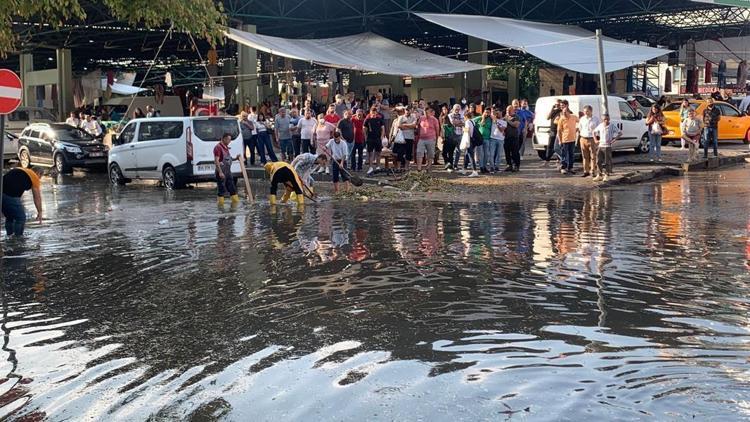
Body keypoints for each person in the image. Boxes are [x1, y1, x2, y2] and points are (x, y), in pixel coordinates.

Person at [2, 166, 43, 237]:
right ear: (38, 173)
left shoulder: (20, 169)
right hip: (10, 195)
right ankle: (18, 239)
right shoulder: (34, 176)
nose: (39, 179)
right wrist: (40, 211)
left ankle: (9, 236)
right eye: (40, 177)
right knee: (21, 218)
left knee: (10, 217)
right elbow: (37, 197)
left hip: (2, 192)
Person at [593, 114, 622, 182]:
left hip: (607, 146)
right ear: (602, 119)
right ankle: (599, 174)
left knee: (607, 161)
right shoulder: (600, 125)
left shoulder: (612, 126)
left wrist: (613, 140)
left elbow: (620, 133)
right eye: (604, 119)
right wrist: (595, 140)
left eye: (607, 119)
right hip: (600, 145)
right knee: (598, 161)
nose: (606, 121)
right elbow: (594, 132)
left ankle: (607, 174)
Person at [213, 133, 240, 207]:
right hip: (221, 171)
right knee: (222, 190)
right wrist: (220, 172)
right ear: (224, 139)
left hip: (228, 172)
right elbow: (216, 161)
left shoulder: (226, 147)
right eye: (228, 139)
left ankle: (235, 205)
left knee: (232, 188)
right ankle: (220, 207)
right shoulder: (218, 147)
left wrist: (236, 158)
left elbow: (229, 159)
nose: (229, 141)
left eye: (230, 140)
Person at [555, 100, 578, 174]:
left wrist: (577, 129)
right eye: (563, 113)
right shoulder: (561, 119)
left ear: (568, 111)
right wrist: (560, 140)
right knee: (564, 154)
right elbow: (558, 130)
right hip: (565, 139)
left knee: (571, 154)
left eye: (565, 112)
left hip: (573, 139)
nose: (564, 114)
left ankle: (570, 167)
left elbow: (580, 122)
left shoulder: (573, 117)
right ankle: (563, 167)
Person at [577, 105, 600, 178]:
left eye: (587, 111)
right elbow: (580, 128)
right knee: (584, 156)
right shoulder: (582, 119)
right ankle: (586, 171)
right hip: (583, 138)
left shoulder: (595, 119)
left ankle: (593, 171)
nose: (586, 113)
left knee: (593, 156)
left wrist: (597, 139)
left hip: (592, 139)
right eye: (584, 111)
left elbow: (598, 129)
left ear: (591, 111)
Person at [416, 107, 440, 172]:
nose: (426, 113)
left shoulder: (434, 120)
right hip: (421, 138)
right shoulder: (421, 118)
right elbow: (417, 126)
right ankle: (419, 168)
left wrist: (437, 139)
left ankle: (428, 167)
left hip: (431, 138)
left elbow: (437, 130)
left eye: (428, 112)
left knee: (430, 153)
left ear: (431, 113)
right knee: (419, 152)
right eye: (425, 112)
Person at [363, 106, 385, 175]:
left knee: (378, 152)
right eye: (372, 112)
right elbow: (364, 128)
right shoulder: (367, 119)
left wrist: (381, 137)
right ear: (370, 112)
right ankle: (370, 167)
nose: (373, 113)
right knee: (370, 153)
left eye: (375, 112)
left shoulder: (379, 119)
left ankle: (378, 166)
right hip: (370, 138)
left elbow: (383, 128)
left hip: (378, 138)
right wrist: (366, 137)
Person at [457, 112, 478, 177]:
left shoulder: (467, 122)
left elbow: (467, 130)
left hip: (469, 140)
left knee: (470, 155)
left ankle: (474, 171)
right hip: (472, 139)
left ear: (465, 116)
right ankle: (464, 169)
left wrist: (463, 129)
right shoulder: (472, 121)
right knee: (466, 154)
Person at [473, 108, 493, 173]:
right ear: (483, 112)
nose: (487, 114)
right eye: (486, 112)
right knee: (481, 154)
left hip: (487, 138)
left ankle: (485, 166)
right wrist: (483, 118)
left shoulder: (491, 119)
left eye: (488, 112)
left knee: (486, 154)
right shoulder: (479, 118)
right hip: (480, 138)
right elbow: (471, 121)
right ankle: (481, 167)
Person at [397, 106, 418, 171]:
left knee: (408, 153)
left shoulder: (414, 117)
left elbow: (414, 125)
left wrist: (405, 125)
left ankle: (407, 167)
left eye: (408, 110)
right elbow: (399, 126)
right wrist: (410, 126)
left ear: (411, 110)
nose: (407, 111)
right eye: (406, 110)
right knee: (400, 153)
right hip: (402, 138)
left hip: (410, 137)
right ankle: (398, 168)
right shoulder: (401, 117)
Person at [544, 99, 563, 165]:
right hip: (552, 130)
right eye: (556, 104)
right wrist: (552, 109)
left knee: (558, 146)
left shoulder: (562, 111)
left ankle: (559, 160)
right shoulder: (554, 111)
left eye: (558, 104)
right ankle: (547, 161)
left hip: (559, 131)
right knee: (550, 145)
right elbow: (547, 117)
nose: (557, 105)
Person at [446, 104, 464, 172]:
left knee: (459, 151)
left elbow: (464, 123)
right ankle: (450, 164)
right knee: (451, 151)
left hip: (460, 134)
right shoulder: (450, 115)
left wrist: (457, 123)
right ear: (453, 109)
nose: (457, 110)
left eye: (458, 109)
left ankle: (455, 164)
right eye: (456, 109)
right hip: (452, 135)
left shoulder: (462, 115)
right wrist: (460, 122)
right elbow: (453, 122)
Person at [504, 106, 521, 172]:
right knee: (507, 152)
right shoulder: (505, 117)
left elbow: (516, 125)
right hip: (506, 137)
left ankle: (516, 165)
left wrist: (508, 120)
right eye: (507, 110)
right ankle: (509, 165)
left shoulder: (516, 117)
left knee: (515, 152)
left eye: (509, 110)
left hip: (514, 137)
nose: (507, 111)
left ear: (512, 110)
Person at [489, 108, 507, 173]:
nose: (498, 114)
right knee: (491, 154)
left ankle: (497, 167)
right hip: (493, 138)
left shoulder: (504, 121)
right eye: (497, 113)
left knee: (499, 154)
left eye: (499, 113)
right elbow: (490, 114)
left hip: (501, 139)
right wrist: (492, 111)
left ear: (502, 113)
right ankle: (492, 167)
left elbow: (502, 130)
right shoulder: (493, 119)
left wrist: (496, 122)